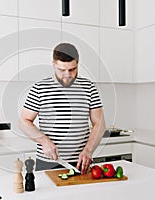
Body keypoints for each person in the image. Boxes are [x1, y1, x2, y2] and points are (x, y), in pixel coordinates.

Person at [19, 43, 106, 174]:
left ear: (77, 63)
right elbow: (24, 121)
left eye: (72, 69)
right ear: (53, 64)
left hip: (81, 162)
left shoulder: (89, 87)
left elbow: (99, 123)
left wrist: (88, 150)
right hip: (48, 162)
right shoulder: (39, 88)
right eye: (61, 70)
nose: (67, 75)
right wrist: (43, 140)